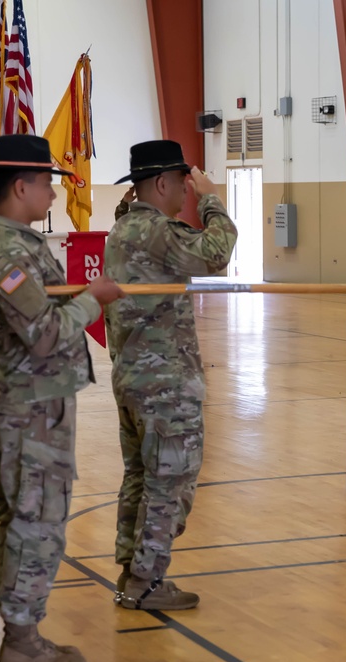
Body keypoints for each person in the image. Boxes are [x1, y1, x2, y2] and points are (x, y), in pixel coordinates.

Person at [0, 134, 123, 662]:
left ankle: (23, 634)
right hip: (29, 408)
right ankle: (22, 642)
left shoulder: (16, 243)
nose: (54, 193)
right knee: (37, 522)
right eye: (47, 182)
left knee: (26, 518)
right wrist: (92, 299)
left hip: (32, 403)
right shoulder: (7, 251)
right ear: (20, 185)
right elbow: (42, 333)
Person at [105, 140, 238, 610]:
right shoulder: (157, 231)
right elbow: (217, 253)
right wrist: (213, 199)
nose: (187, 191)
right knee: (170, 483)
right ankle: (147, 581)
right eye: (183, 183)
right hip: (163, 385)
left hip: (133, 376)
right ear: (162, 183)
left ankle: (133, 572)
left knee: (141, 478)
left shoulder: (122, 230)